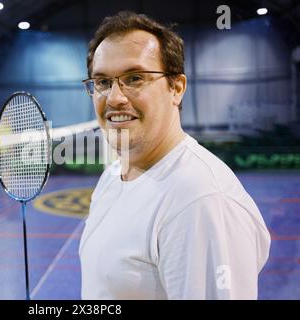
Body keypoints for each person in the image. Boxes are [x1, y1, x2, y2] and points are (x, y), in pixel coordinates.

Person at [79, 11, 270, 300]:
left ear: (176, 88)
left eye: (134, 78)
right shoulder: (113, 175)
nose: (115, 98)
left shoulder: (200, 200)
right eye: (103, 82)